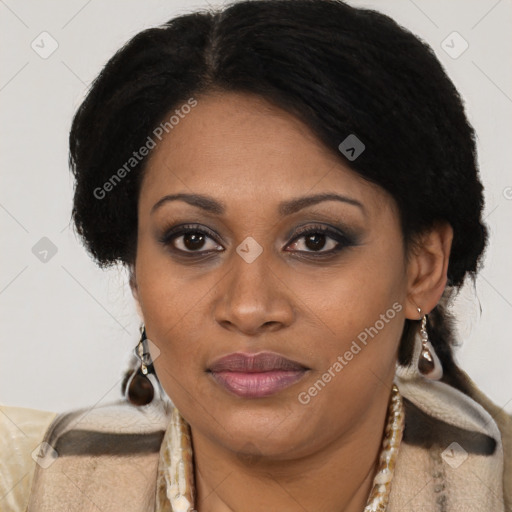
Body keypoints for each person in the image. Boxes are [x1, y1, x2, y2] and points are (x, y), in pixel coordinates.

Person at [1, 0, 511, 510]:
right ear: (136, 275)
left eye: (316, 241)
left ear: (422, 270)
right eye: (194, 240)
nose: (248, 308)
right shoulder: (26, 486)